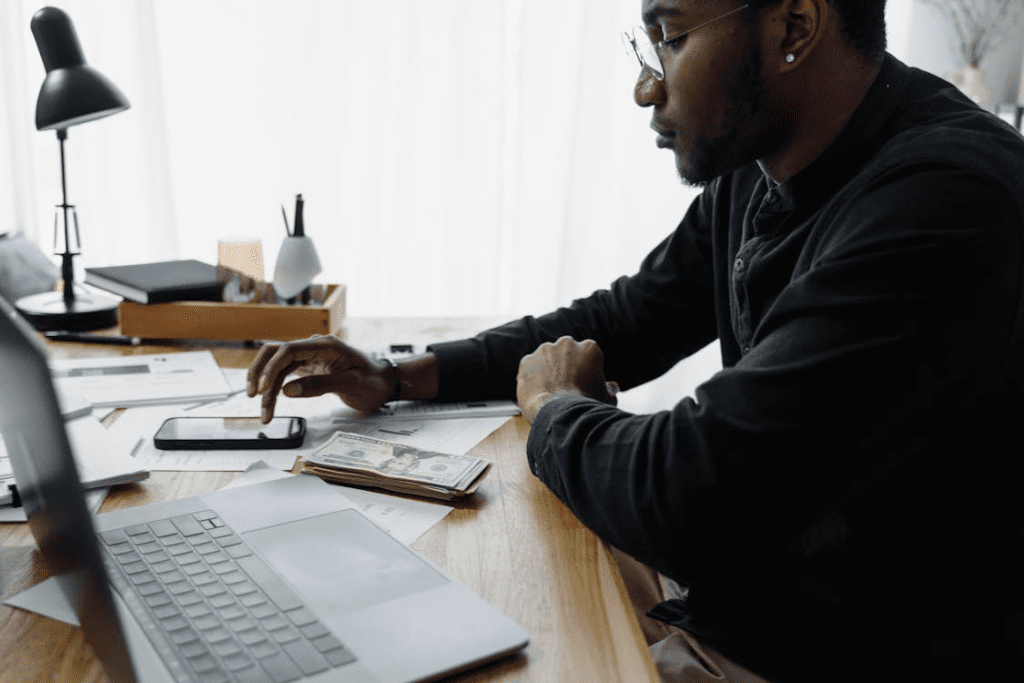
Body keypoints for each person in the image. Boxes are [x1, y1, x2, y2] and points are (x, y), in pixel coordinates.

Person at [249, 0, 1024, 680]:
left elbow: (692, 495)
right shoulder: (763, 163)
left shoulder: (946, 199)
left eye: (671, 37)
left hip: (833, 652)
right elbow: (630, 317)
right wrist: (399, 375)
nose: (646, 85)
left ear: (793, 26)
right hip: (747, 599)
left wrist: (553, 406)